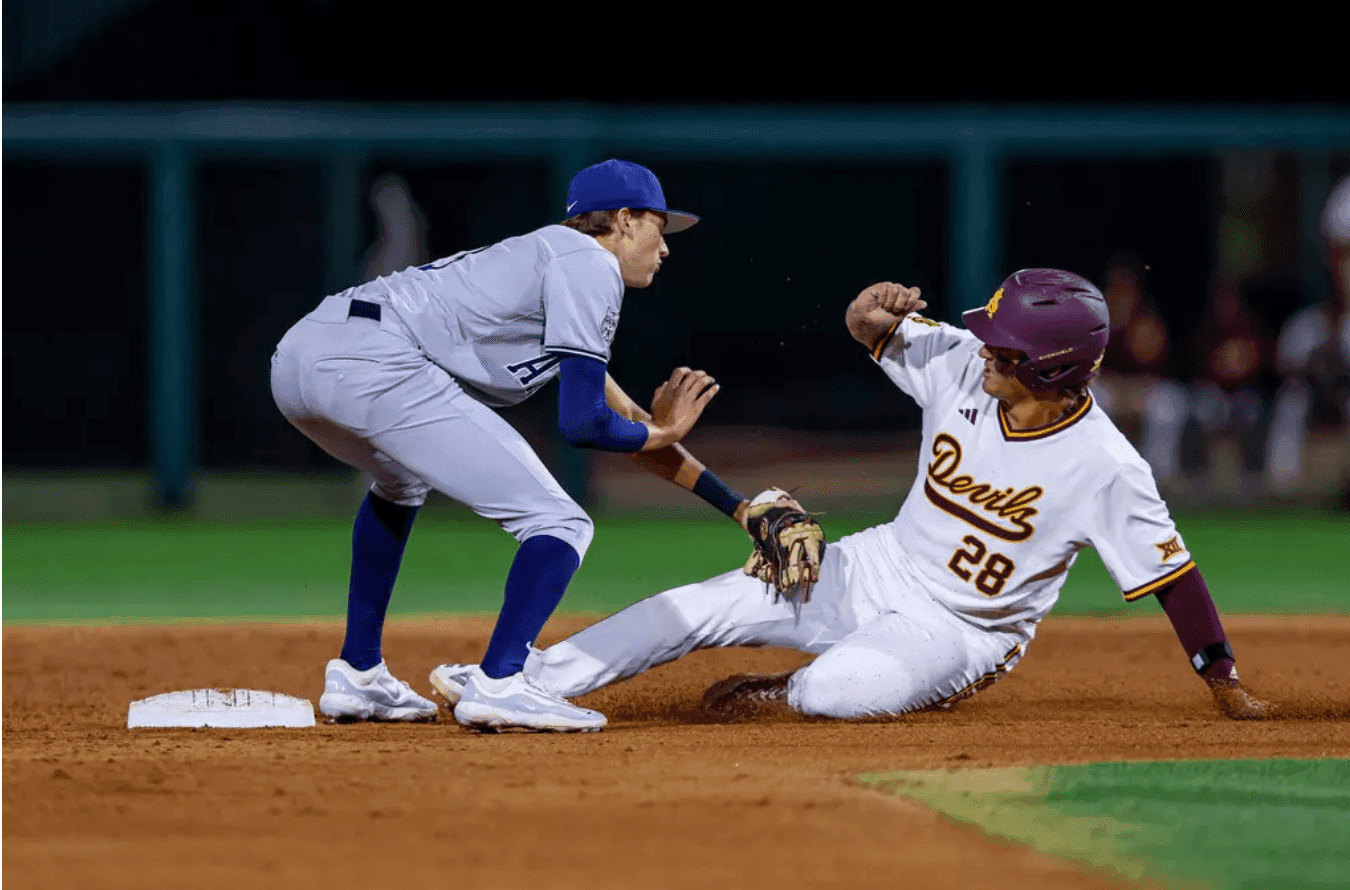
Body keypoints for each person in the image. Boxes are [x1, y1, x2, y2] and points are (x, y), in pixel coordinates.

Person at [430, 270, 1273, 723]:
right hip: (874, 564)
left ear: (1052, 369)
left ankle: (785, 691)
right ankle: (520, 678)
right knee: (693, 607)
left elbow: (1173, 578)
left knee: (837, 695)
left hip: (961, 632)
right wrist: (868, 312)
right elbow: (871, 331)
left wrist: (1224, 680)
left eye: (1005, 347)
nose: (984, 348)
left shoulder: (1106, 465)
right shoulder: (960, 364)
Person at [270, 159, 757, 732]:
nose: (666, 246)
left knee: (400, 483)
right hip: (372, 359)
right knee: (561, 523)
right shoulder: (589, 264)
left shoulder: (550, 265)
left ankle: (359, 673)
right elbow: (584, 424)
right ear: (624, 220)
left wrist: (740, 508)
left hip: (301, 356)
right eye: (659, 225)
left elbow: (630, 425)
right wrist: (668, 430)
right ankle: (501, 682)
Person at [1265, 175, 1350, 504]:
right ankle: (1283, 495)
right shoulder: (1307, 329)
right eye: (1344, 256)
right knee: (1294, 400)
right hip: (1318, 469)